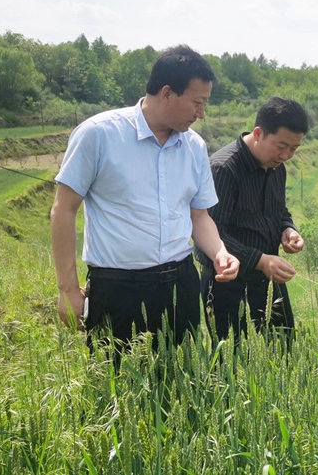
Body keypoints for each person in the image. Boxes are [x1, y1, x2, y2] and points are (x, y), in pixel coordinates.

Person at [51, 44, 239, 361]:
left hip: (180, 284)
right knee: (115, 381)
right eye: (198, 103)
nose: (201, 114)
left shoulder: (194, 146)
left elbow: (199, 216)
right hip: (118, 289)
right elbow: (63, 210)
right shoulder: (99, 134)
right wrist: (67, 289)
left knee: (180, 378)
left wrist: (219, 252)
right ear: (166, 93)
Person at [196, 96, 309, 348]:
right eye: (281, 146)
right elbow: (212, 231)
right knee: (234, 360)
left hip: (268, 280)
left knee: (284, 352)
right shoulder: (224, 168)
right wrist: (261, 260)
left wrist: (288, 229)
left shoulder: (277, 166)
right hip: (227, 284)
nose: (286, 155)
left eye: (294, 149)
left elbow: (279, 210)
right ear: (258, 133)